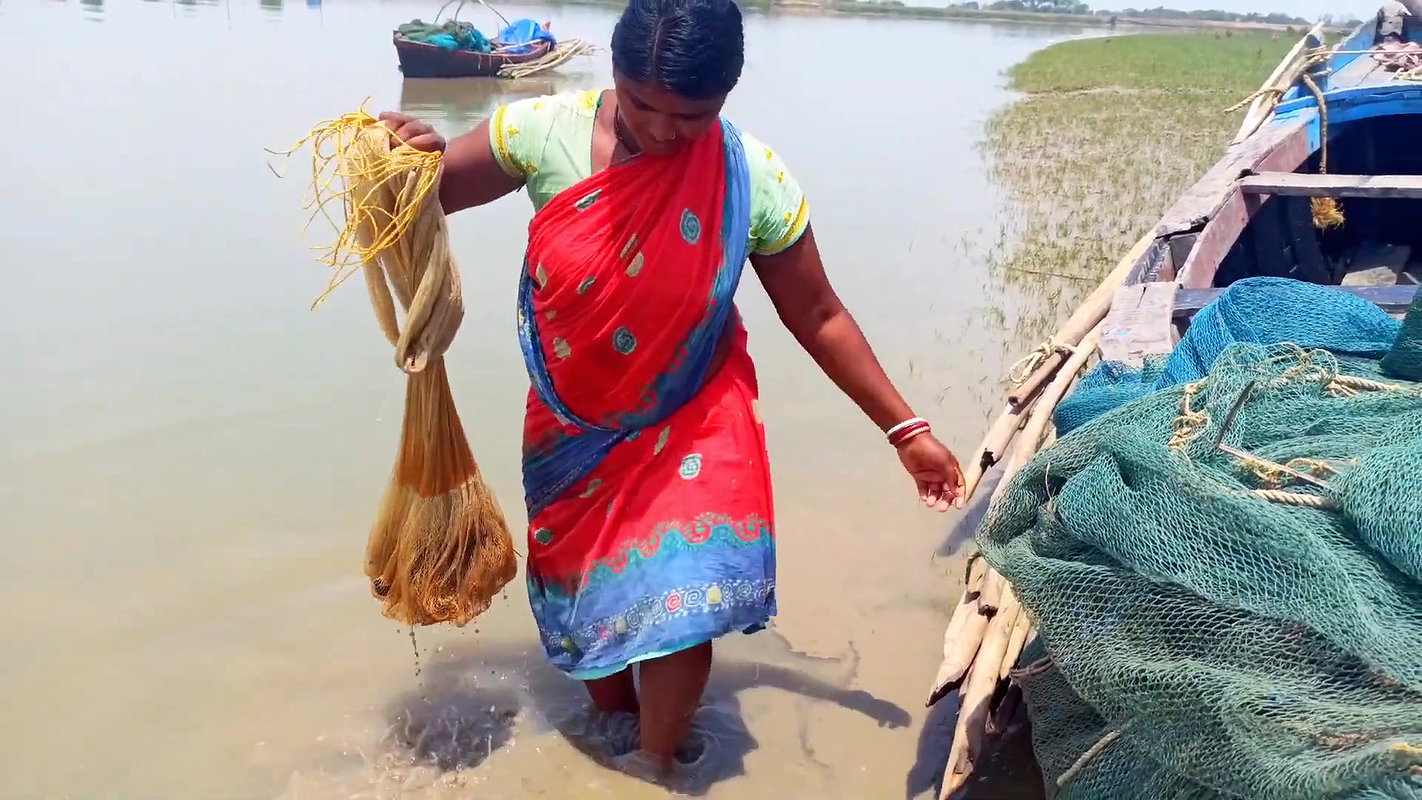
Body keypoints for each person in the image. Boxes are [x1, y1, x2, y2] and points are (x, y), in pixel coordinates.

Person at [377, 0, 965, 777]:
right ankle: (616, 736)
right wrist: (406, 158)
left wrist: (905, 431)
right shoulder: (540, 133)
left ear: (726, 94)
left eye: (689, 116)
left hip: (694, 413)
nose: (659, 130)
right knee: (592, 619)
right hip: (572, 428)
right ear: (614, 73)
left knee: (682, 604)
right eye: (640, 102)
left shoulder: (750, 175)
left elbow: (818, 313)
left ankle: (656, 770)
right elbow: (424, 198)